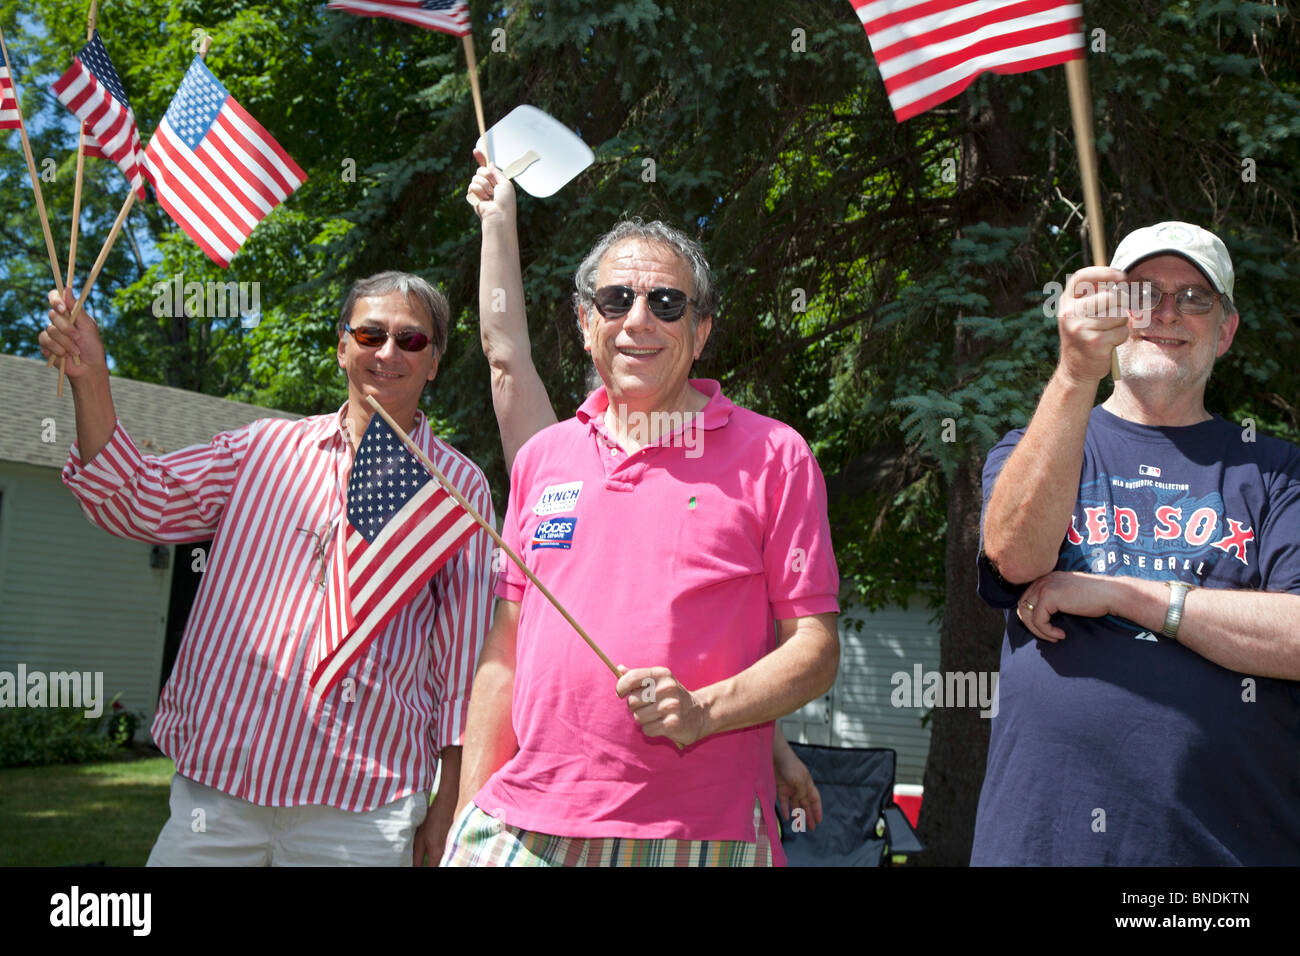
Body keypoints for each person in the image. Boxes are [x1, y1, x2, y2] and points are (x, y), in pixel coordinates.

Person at [441, 163, 841, 866]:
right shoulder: (545, 458)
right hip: (519, 824)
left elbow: (815, 649)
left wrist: (707, 712)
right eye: (617, 298)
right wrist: (469, 811)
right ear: (585, 320)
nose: (638, 320)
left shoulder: (775, 455)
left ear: (703, 328)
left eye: (665, 302)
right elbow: (504, 654)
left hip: (697, 836)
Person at [38, 272, 494, 866]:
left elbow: (468, 665)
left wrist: (449, 804)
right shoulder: (263, 450)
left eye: (410, 341)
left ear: (433, 362)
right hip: (221, 791)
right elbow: (135, 498)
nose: (387, 352)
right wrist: (90, 376)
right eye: (370, 333)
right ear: (341, 346)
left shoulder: (457, 490)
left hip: (363, 808)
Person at [972, 222, 1300, 865]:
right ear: (1116, 315)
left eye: (1195, 297)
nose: (1168, 313)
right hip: (1042, 845)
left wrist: (1123, 594)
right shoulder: (1034, 447)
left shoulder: (1278, 472)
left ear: (1226, 331)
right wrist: (1073, 375)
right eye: (1145, 294)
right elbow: (1013, 559)